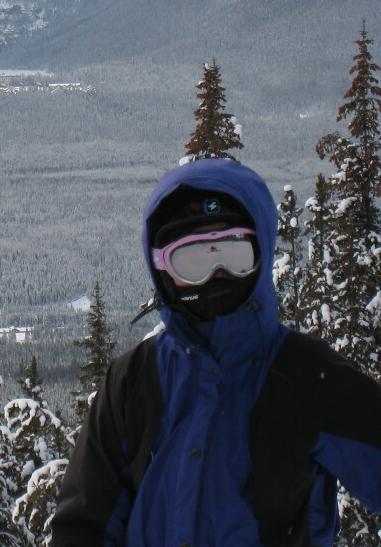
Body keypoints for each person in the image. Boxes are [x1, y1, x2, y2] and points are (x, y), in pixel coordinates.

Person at [50, 157, 381, 547]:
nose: (216, 275)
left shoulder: (308, 376)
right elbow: (84, 524)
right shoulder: (134, 380)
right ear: (162, 271)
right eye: (193, 261)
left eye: (234, 256)